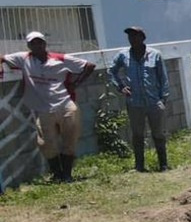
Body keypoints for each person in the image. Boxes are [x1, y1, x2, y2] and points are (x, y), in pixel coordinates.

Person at [1, 31, 96, 182]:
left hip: (65, 105)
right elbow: (3, 58)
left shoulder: (60, 59)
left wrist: (76, 83)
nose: (37, 45)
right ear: (29, 46)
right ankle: (57, 174)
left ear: (45, 44)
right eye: (33, 43)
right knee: (45, 144)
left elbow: (89, 66)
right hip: (43, 109)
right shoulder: (23, 58)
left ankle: (66, 175)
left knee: (69, 141)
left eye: (40, 42)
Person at [108, 26, 171, 172]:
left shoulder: (155, 55)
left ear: (143, 38)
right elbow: (111, 71)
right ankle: (139, 166)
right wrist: (120, 86)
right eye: (130, 36)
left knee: (158, 134)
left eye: (135, 36)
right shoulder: (123, 56)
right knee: (137, 135)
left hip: (154, 101)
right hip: (134, 103)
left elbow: (163, 78)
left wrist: (163, 99)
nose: (132, 39)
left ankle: (163, 164)